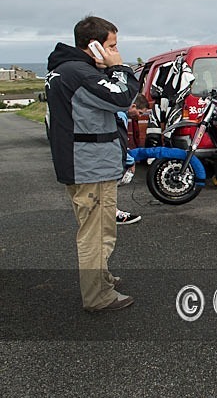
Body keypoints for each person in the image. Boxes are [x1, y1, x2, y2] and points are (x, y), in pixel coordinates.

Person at [45, 16, 139, 311]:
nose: (115, 50)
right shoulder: (79, 73)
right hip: (91, 167)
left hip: (81, 164)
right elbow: (122, 97)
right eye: (112, 45)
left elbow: (96, 104)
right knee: (97, 234)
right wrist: (119, 67)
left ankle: (102, 279)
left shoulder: (65, 71)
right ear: (94, 45)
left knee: (96, 229)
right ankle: (98, 296)